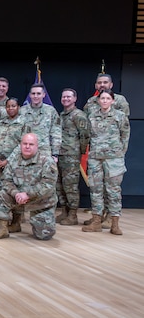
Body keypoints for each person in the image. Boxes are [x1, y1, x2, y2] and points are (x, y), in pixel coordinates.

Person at [0, 133, 58, 240]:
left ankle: (37, 221)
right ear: (20, 145)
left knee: (44, 235)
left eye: (31, 144)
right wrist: (16, 193)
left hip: (41, 202)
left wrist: (28, 195)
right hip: (19, 198)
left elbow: (48, 185)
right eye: (24, 144)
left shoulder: (47, 161)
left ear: (37, 146)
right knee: (1, 195)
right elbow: (6, 180)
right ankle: (3, 228)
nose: (27, 146)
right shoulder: (13, 160)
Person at [82, 90, 130, 235]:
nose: (104, 100)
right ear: (98, 100)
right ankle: (96, 221)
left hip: (113, 159)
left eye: (107, 98)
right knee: (96, 190)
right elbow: (87, 136)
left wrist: (120, 153)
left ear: (112, 101)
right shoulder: (91, 116)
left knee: (113, 191)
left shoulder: (120, 116)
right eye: (102, 98)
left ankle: (114, 223)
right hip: (95, 157)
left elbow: (125, 136)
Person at [0, 97, 31, 231]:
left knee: (16, 190)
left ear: (18, 107)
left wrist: (9, 160)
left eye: (13, 106)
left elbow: (23, 144)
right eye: (8, 106)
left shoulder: (24, 123)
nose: (11, 108)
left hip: (16, 164)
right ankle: (0, 219)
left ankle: (16, 221)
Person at [56, 88, 89, 226]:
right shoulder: (61, 115)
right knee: (59, 185)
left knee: (71, 186)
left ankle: (73, 214)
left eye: (69, 97)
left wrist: (79, 152)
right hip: (59, 154)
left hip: (71, 155)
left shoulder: (79, 115)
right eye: (64, 97)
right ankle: (64, 210)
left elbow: (85, 136)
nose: (66, 99)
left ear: (75, 99)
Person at [20, 83, 61, 159]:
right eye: (33, 93)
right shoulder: (22, 111)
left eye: (38, 93)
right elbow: (17, 132)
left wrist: (55, 153)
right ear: (30, 95)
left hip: (44, 152)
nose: (35, 96)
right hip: (26, 151)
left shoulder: (51, 111)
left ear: (44, 95)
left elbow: (56, 133)